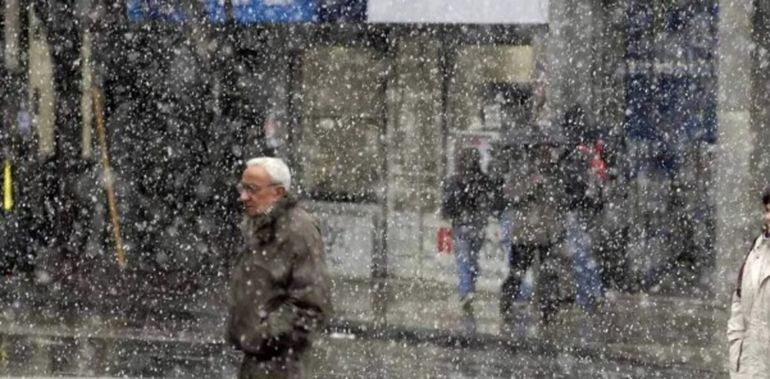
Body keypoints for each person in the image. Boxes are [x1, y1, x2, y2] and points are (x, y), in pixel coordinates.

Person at [228, 157, 332, 379]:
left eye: (252, 189)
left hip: (283, 365)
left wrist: (263, 333)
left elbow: (313, 307)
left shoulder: (298, 231)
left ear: (277, 193)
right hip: (259, 361)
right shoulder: (260, 224)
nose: (243, 196)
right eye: (242, 188)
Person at [500, 137, 564, 325]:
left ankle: (549, 310)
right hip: (525, 232)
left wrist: (550, 191)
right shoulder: (522, 171)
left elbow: (560, 198)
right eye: (540, 149)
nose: (544, 153)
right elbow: (509, 194)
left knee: (549, 273)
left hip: (547, 232)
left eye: (547, 149)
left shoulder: (554, 172)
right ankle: (507, 304)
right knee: (517, 271)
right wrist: (529, 188)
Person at [442, 148, 495, 310]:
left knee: (463, 259)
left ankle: (466, 290)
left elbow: (448, 203)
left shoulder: (456, 180)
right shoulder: (483, 179)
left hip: (462, 224)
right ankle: (470, 286)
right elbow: (489, 201)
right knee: (472, 258)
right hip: (478, 224)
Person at [727, 187, 770, 378]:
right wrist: (736, 344)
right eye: (768, 210)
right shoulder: (756, 251)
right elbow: (739, 300)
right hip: (748, 370)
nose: (768, 217)